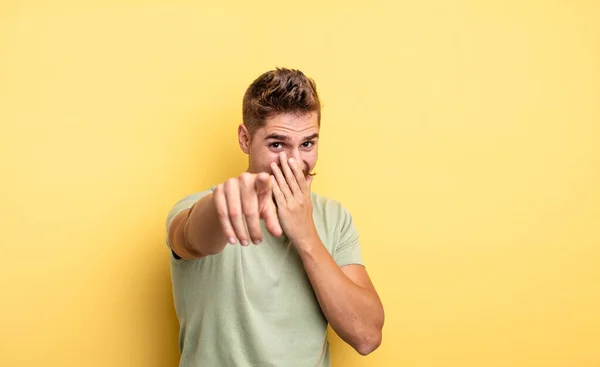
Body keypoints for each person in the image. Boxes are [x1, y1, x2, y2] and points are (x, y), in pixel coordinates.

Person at [165, 67, 384, 367]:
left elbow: (367, 336)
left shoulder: (335, 218)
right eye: (277, 144)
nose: (294, 163)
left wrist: (305, 234)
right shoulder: (206, 208)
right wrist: (222, 202)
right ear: (245, 139)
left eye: (307, 143)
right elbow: (189, 237)